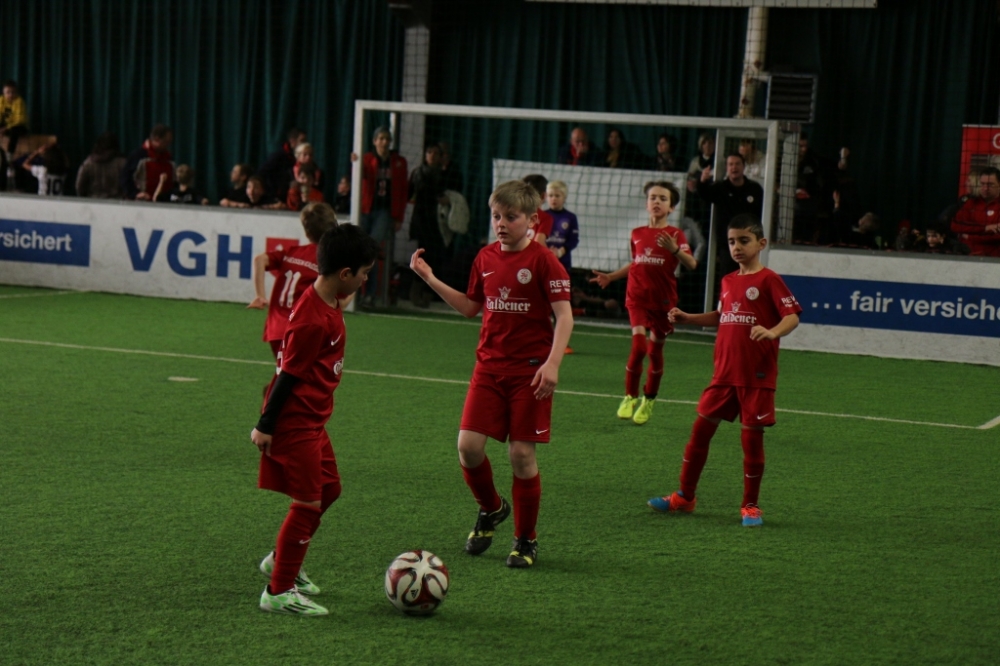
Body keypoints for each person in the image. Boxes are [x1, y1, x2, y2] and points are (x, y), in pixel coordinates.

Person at [409, 179, 574, 569]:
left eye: (510, 217)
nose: (501, 224)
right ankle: (491, 507)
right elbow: (471, 307)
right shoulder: (484, 258)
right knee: (468, 447)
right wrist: (429, 278)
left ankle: (526, 539)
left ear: (532, 220)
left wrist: (552, 363)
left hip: (529, 373)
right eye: (496, 216)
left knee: (521, 454)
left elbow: (564, 316)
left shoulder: (544, 261)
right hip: (488, 369)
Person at [251, 224, 379, 617]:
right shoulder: (312, 319)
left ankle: (282, 559)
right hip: (295, 422)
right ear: (345, 273)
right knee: (308, 502)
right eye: (364, 273)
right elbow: (287, 376)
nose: (365, 279)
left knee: (330, 489)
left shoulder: (327, 300)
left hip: (313, 420)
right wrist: (265, 425)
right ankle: (278, 591)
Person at [648, 214, 801, 528]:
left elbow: (792, 316)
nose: (737, 247)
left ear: (761, 243)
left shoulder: (769, 279)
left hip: (755, 376)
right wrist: (689, 318)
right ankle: (685, 497)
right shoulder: (728, 280)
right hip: (723, 375)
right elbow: (722, 315)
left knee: (751, 443)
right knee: (699, 434)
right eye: (732, 241)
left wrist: (772, 332)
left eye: (744, 241)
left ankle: (750, 507)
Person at [589, 181, 698, 425]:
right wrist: (612, 276)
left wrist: (675, 250)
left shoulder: (675, 235)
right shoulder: (637, 233)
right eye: (653, 198)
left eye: (663, 198)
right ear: (647, 204)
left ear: (671, 207)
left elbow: (691, 264)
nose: (657, 201)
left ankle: (649, 398)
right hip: (637, 297)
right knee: (639, 348)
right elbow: (636, 262)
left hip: (663, 302)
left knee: (654, 352)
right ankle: (630, 396)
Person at [248, 202, 341, 357]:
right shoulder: (327, 262)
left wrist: (260, 295)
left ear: (307, 233)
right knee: (310, 372)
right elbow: (341, 302)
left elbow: (259, 259)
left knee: (287, 371)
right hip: (301, 331)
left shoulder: (292, 252)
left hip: (276, 329)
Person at [355, 127, 408, 306]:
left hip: (384, 212)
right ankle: (356, 293)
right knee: (361, 251)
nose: (385, 142)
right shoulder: (367, 159)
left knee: (370, 248)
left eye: (387, 139)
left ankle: (370, 293)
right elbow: (361, 175)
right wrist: (355, 162)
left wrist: (399, 217)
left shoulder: (398, 162)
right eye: (381, 138)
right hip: (364, 209)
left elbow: (403, 190)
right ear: (374, 141)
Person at [697, 152, 764, 280]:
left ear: (743, 166)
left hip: (750, 244)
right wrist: (703, 181)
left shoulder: (755, 189)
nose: (734, 167)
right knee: (729, 280)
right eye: (731, 164)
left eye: (737, 164)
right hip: (728, 246)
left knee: (749, 280)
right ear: (727, 168)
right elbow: (704, 194)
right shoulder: (720, 188)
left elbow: (761, 215)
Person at [408, 142, 448, 307]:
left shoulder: (445, 174)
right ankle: (416, 291)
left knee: (437, 257)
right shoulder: (418, 173)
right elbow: (410, 193)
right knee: (423, 256)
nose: (432, 155)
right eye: (429, 152)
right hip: (423, 220)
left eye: (435, 153)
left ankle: (429, 293)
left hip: (440, 221)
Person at [949, 166, 1000, 257]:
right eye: (982, 184)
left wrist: (969, 236)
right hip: (967, 256)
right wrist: (985, 228)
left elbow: (997, 237)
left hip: (994, 259)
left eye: (990, 184)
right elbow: (955, 226)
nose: (985, 188)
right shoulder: (970, 203)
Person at [121, 124, 175, 201]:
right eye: (166, 142)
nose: (168, 145)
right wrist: (135, 193)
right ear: (157, 139)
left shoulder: (168, 158)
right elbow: (125, 177)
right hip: (143, 202)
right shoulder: (139, 156)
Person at [76, 132, 127, 199]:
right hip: (116, 202)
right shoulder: (122, 163)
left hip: (93, 201)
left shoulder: (88, 163)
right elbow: (127, 187)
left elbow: (79, 186)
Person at [259, 128, 306, 199]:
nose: (305, 144)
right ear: (292, 141)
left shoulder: (304, 159)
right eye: (302, 141)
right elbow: (262, 173)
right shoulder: (278, 157)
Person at [544, 180, 579, 272]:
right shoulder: (542, 216)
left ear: (564, 197)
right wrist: (547, 252)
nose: (553, 199)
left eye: (557, 196)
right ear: (546, 197)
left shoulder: (570, 217)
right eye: (550, 195)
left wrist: (560, 252)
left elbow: (573, 240)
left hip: (563, 262)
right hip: (544, 260)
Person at [0, 80, 29, 158]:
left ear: (16, 92)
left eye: (13, 92)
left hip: (18, 127)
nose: (11, 95)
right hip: (6, 127)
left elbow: (20, 120)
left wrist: (6, 128)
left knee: (15, 130)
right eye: (8, 92)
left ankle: (10, 154)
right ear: (3, 93)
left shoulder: (19, 101)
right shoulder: (1, 100)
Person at [522, 174, 553, 246]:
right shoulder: (545, 218)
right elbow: (539, 243)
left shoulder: (514, 213)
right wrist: (551, 253)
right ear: (544, 195)